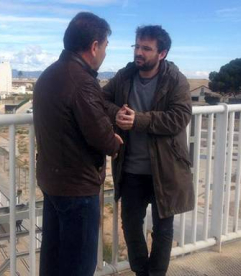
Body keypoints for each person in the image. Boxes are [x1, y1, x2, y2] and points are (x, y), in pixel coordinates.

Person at [33, 12, 123, 276]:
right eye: (105, 47)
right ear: (94, 46)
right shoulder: (82, 82)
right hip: (77, 189)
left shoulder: (49, 75)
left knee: (53, 261)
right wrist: (115, 141)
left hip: (52, 183)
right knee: (79, 266)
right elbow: (102, 137)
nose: (105, 53)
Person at [102, 25, 195, 276]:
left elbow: (179, 118)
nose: (139, 53)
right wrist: (116, 114)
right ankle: (142, 272)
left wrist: (139, 120)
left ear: (162, 53)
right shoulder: (125, 75)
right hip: (131, 168)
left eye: (146, 48)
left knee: (163, 229)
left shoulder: (176, 79)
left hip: (165, 169)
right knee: (130, 225)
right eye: (137, 46)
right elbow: (102, 99)